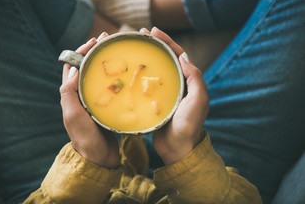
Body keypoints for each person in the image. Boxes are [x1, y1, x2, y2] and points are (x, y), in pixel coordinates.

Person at [0, 0, 304, 203]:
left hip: (58, 173)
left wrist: (87, 161)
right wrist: (186, 153)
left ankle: (101, 8)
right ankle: (111, 6)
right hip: (214, 171)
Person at [23, 27, 262, 203]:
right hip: (186, 164)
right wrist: (183, 151)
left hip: (86, 173)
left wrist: (89, 158)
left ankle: (98, 13)